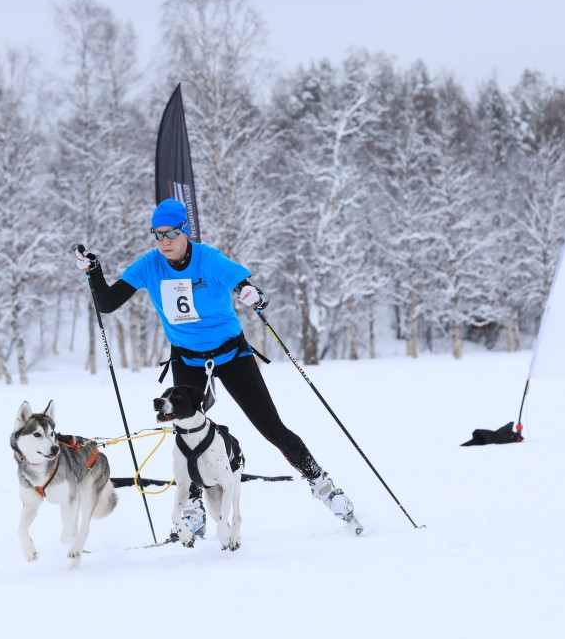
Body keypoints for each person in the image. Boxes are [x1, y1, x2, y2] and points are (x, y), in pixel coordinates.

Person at [76, 198, 361, 540]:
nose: (164, 241)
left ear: (186, 232)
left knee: (271, 427)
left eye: (171, 233)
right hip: (187, 360)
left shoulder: (208, 258)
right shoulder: (150, 265)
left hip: (231, 355)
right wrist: (94, 271)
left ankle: (323, 485)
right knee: (187, 436)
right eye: (157, 235)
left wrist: (251, 294)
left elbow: (244, 285)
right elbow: (108, 303)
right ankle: (195, 506)